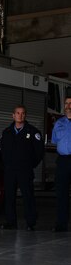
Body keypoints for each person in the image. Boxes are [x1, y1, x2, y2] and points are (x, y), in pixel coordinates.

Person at [0, 104, 44, 231]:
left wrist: (29, 165)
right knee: (9, 196)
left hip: (25, 170)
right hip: (10, 170)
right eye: (18, 113)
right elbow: (3, 151)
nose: (20, 115)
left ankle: (30, 222)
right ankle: (10, 221)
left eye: (23, 113)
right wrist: (7, 163)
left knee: (28, 196)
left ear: (25, 115)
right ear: (13, 115)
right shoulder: (6, 132)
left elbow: (39, 152)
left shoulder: (33, 132)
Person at [51, 96, 71, 232]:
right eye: (66, 103)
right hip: (63, 161)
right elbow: (54, 141)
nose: (68, 106)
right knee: (61, 194)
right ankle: (61, 224)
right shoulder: (58, 123)